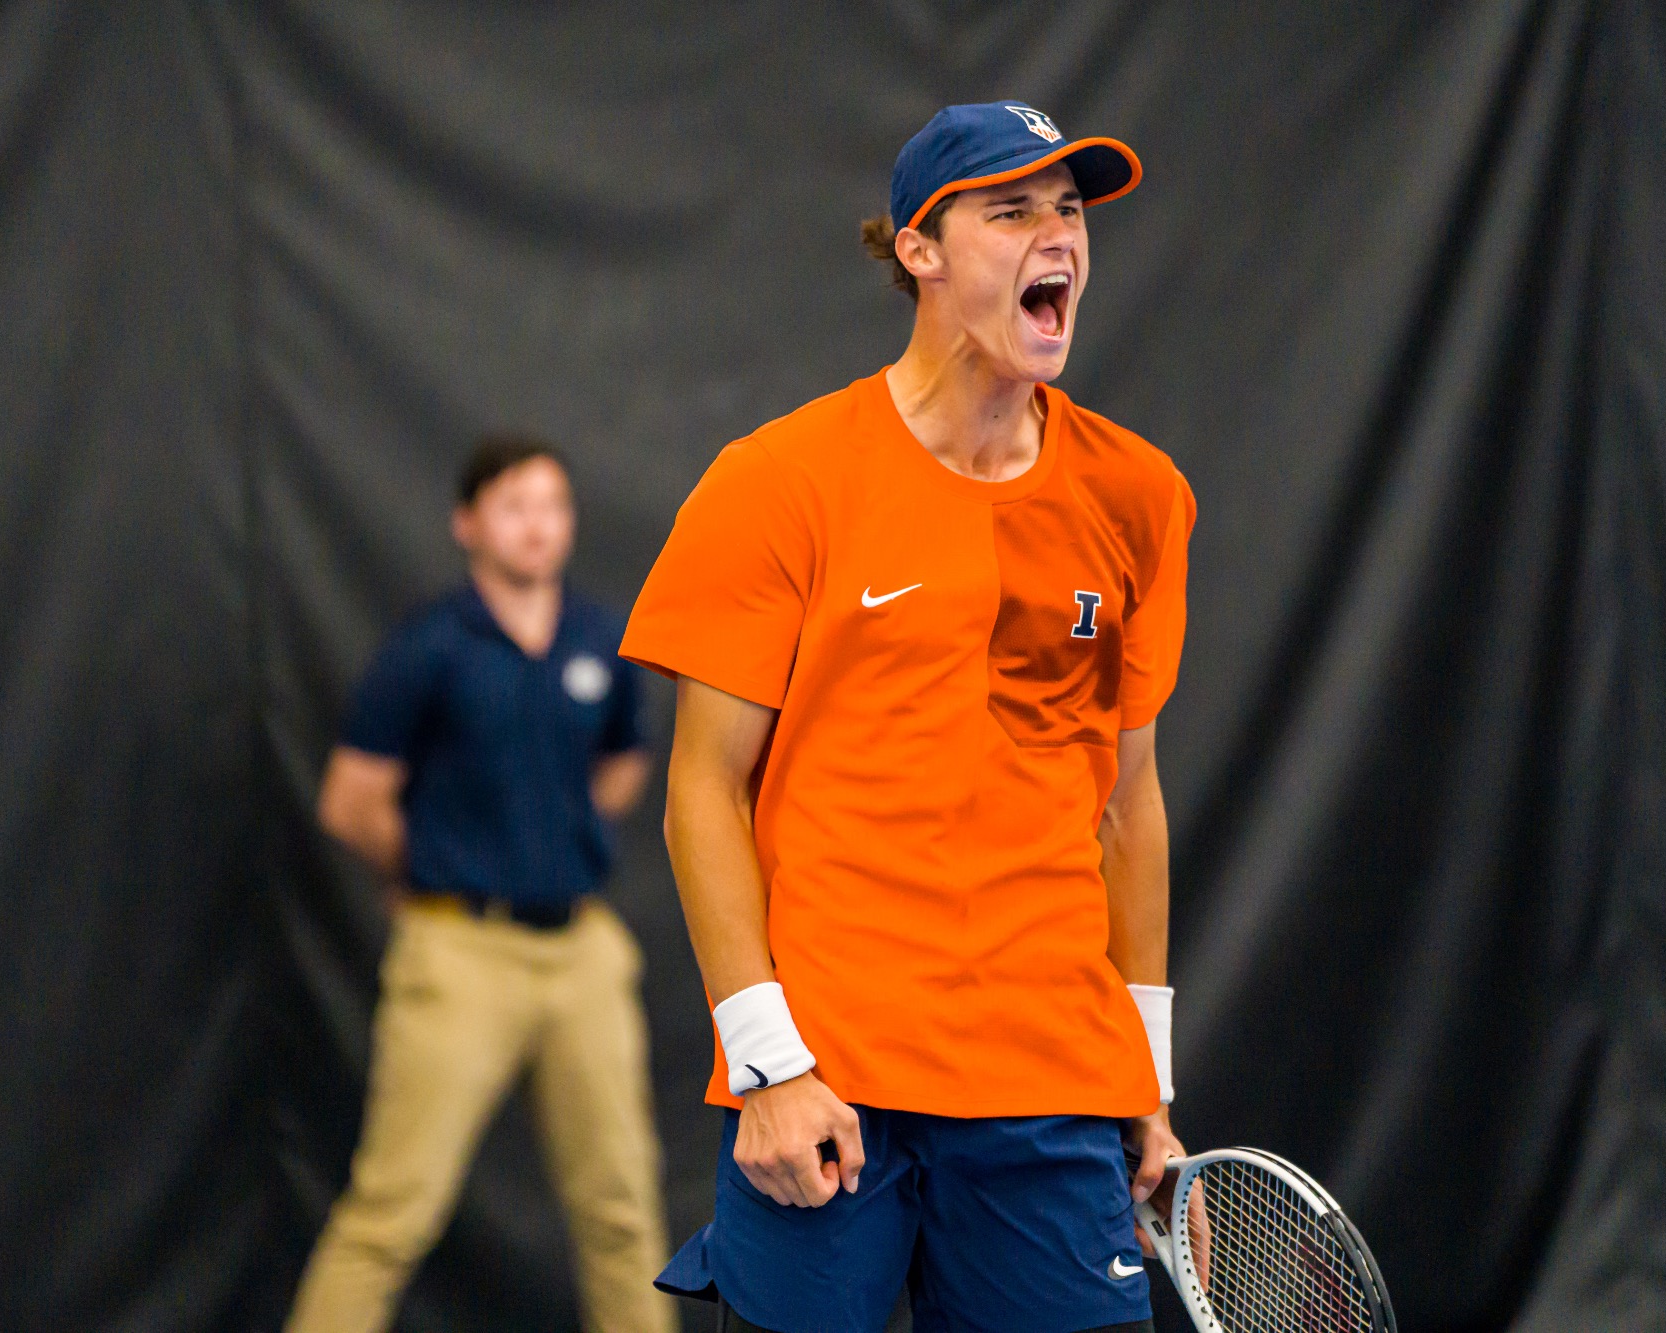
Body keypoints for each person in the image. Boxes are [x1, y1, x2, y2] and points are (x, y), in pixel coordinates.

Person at [621, 102, 1195, 1333]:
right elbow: (698, 796)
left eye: (1070, 210)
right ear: (920, 252)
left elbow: (1127, 800)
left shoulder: (1139, 495)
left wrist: (1140, 1077)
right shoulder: (776, 482)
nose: (1058, 238)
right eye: (1011, 210)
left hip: (1048, 1085)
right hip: (826, 1087)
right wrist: (769, 1064)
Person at [285, 436, 676, 1333]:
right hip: (459, 952)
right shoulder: (429, 648)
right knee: (393, 1210)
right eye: (513, 505)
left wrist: (552, 828)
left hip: (580, 953)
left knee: (622, 1212)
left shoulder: (598, 638)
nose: (537, 526)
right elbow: (351, 801)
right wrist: (434, 865)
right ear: (468, 524)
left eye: (552, 505)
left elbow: (626, 760)